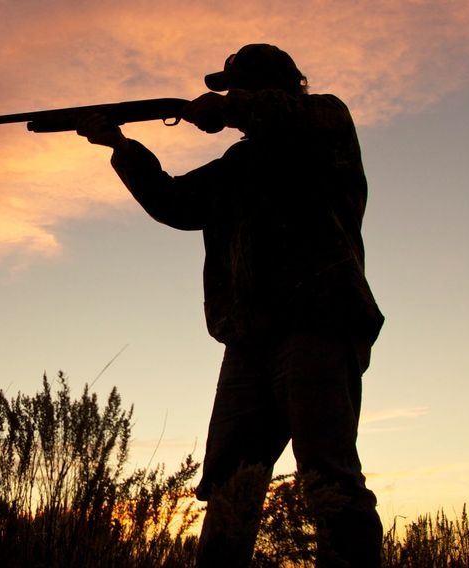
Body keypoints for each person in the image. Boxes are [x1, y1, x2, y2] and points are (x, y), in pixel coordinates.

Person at [77, 44, 385, 567]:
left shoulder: (324, 119)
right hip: (248, 338)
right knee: (230, 485)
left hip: (318, 322)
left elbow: (284, 117)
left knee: (328, 478)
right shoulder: (240, 163)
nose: (229, 95)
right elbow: (176, 204)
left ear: (268, 86)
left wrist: (226, 109)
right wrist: (121, 146)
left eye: (237, 87)